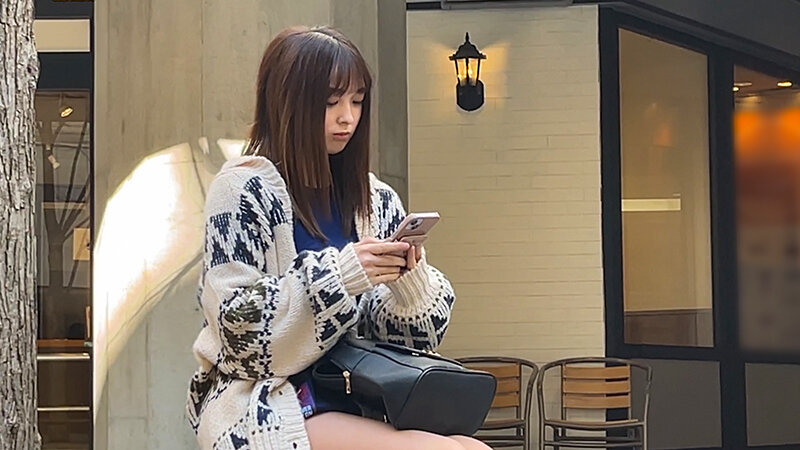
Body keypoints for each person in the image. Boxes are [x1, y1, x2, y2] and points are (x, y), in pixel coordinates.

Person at [186, 26, 490, 450]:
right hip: (272, 402)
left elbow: (416, 342)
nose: (347, 117)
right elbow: (238, 333)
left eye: (357, 100)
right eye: (330, 102)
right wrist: (342, 276)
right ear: (287, 102)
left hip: (366, 395)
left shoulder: (375, 199)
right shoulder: (242, 191)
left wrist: (409, 282)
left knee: (474, 447)